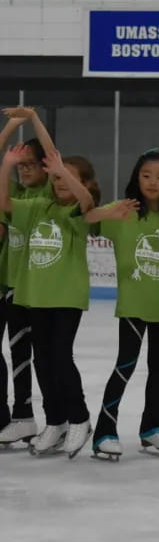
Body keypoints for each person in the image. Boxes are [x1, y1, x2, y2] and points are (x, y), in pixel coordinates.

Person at [0, 136, 99, 458]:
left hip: (66, 298)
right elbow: (5, 204)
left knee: (59, 356)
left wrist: (62, 170)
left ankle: (80, 418)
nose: (59, 183)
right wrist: (6, 166)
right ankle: (55, 421)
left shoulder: (79, 216)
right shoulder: (40, 207)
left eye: (66, 178)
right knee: (41, 360)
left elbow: (86, 202)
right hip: (34, 297)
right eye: (55, 178)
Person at [83, 149, 159, 460]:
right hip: (133, 303)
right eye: (146, 175)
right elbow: (87, 218)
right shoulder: (122, 211)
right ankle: (104, 430)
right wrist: (107, 214)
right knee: (125, 365)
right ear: (135, 178)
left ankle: (151, 427)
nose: (153, 182)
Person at [0, 113, 51, 448]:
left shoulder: (48, 196)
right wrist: (8, 133)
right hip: (5, 285)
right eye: (20, 165)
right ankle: (11, 417)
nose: (24, 169)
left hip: (31, 291)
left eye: (30, 163)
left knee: (28, 355)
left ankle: (29, 416)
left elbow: (52, 154)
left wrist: (32, 119)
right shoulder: (13, 193)